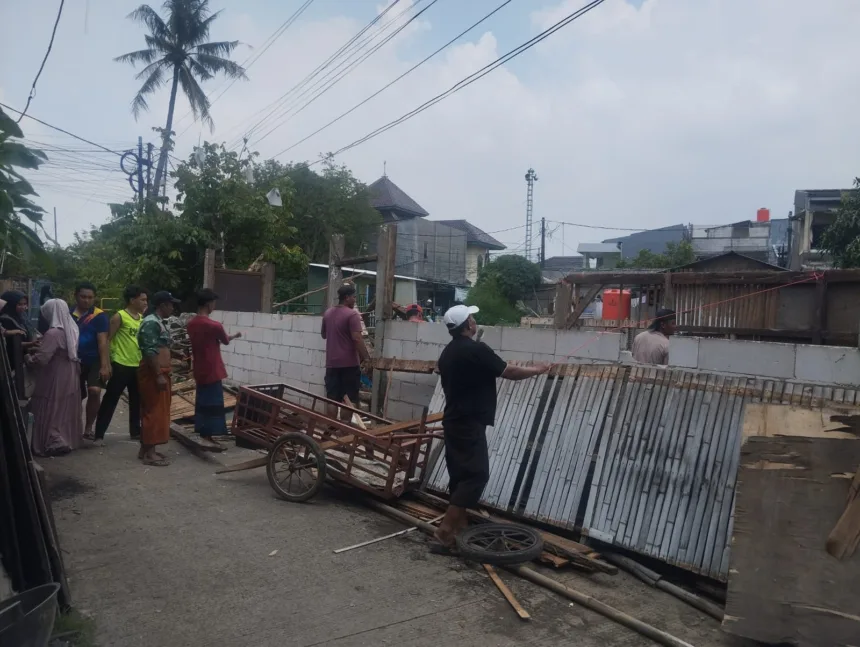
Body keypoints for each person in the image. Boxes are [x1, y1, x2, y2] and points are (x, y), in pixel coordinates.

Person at [432, 304, 550, 553]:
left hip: (454, 421)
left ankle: (460, 530)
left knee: (460, 476)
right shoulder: (475, 350)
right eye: (472, 318)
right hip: (468, 423)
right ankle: (444, 532)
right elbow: (510, 372)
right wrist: (538, 370)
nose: (475, 321)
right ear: (467, 325)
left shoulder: (448, 353)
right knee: (476, 475)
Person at [27, 299, 83, 456]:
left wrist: (27, 358)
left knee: (51, 404)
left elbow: (42, 358)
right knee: (63, 406)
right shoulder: (71, 328)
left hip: (55, 373)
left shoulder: (53, 333)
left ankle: (51, 440)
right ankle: (63, 438)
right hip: (70, 371)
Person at [94, 285, 147, 444]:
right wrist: (107, 363)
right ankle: (99, 434)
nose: (145, 302)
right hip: (121, 364)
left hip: (137, 365)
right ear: (132, 300)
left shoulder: (142, 319)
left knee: (136, 400)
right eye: (142, 299)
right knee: (111, 399)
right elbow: (108, 339)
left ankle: (135, 432)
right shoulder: (120, 317)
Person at [186, 289, 241, 439]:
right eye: (214, 303)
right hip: (213, 369)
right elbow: (225, 340)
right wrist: (235, 336)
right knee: (214, 404)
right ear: (209, 304)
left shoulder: (191, 324)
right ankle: (212, 434)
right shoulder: (214, 325)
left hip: (199, 368)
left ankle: (203, 431)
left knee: (202, 401)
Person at [136, 291, 180, 466]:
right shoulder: (151, 323)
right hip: (154, 373)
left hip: (159, 371)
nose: (173, 307)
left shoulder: (158, 323)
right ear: (162, 306)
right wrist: (158, 375)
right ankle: (149, 454)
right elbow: (149, 351)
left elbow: (159, 346)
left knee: (155, 410)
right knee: (154, 411)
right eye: (170, 304)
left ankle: (146, 449)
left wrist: (174, 353)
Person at [320, 284, 370, 415]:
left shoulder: (328, 313)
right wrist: (367, 358)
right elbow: (357, 339)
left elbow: (323, 335)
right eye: (354, 297)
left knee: (332, 399)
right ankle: (345, 431)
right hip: (349, 364)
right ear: (347, 298)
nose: (355, 300)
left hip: (332, 363)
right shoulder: (352, 315)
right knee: (350, 399)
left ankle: (330, 429)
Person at [71, 282, 111, 439]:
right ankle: (73, 426)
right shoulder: (68, 313)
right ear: (76, 296)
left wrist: (105, 365)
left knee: (94, 391)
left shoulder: (99, 316)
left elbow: (103, 341)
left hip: (94, 359)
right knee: (75, 395)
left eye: (90, 297)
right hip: (73, 359)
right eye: (83, 297)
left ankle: (88, 427)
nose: (86, 300)